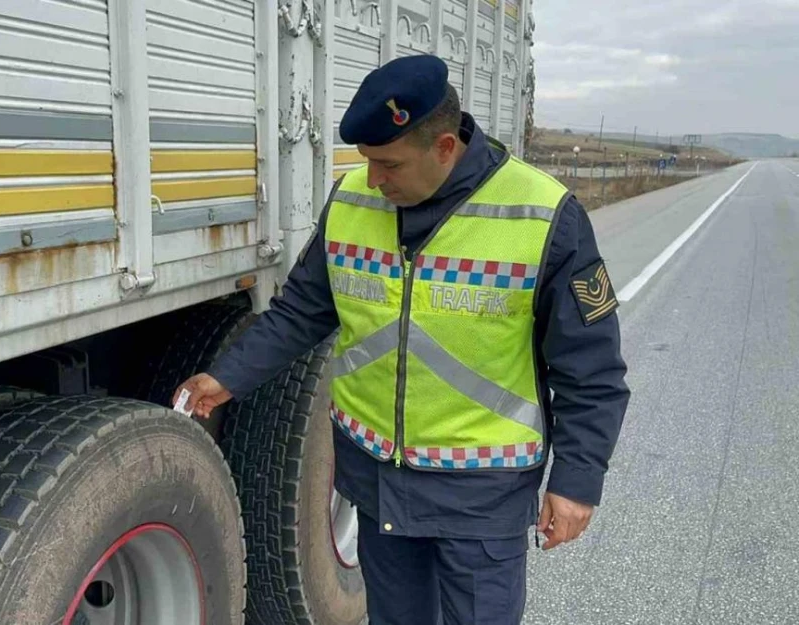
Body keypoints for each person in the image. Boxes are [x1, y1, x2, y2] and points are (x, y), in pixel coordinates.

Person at [173, 54, 630, 625]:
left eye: (389, 164)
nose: (374, 179)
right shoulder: (353, 200)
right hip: (376, 481)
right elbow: (302, 311)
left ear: (444, 147)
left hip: (480, 495)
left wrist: (577, 482)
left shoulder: (543, 216)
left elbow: (592, 372)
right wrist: (228, 375)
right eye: (367, 162)